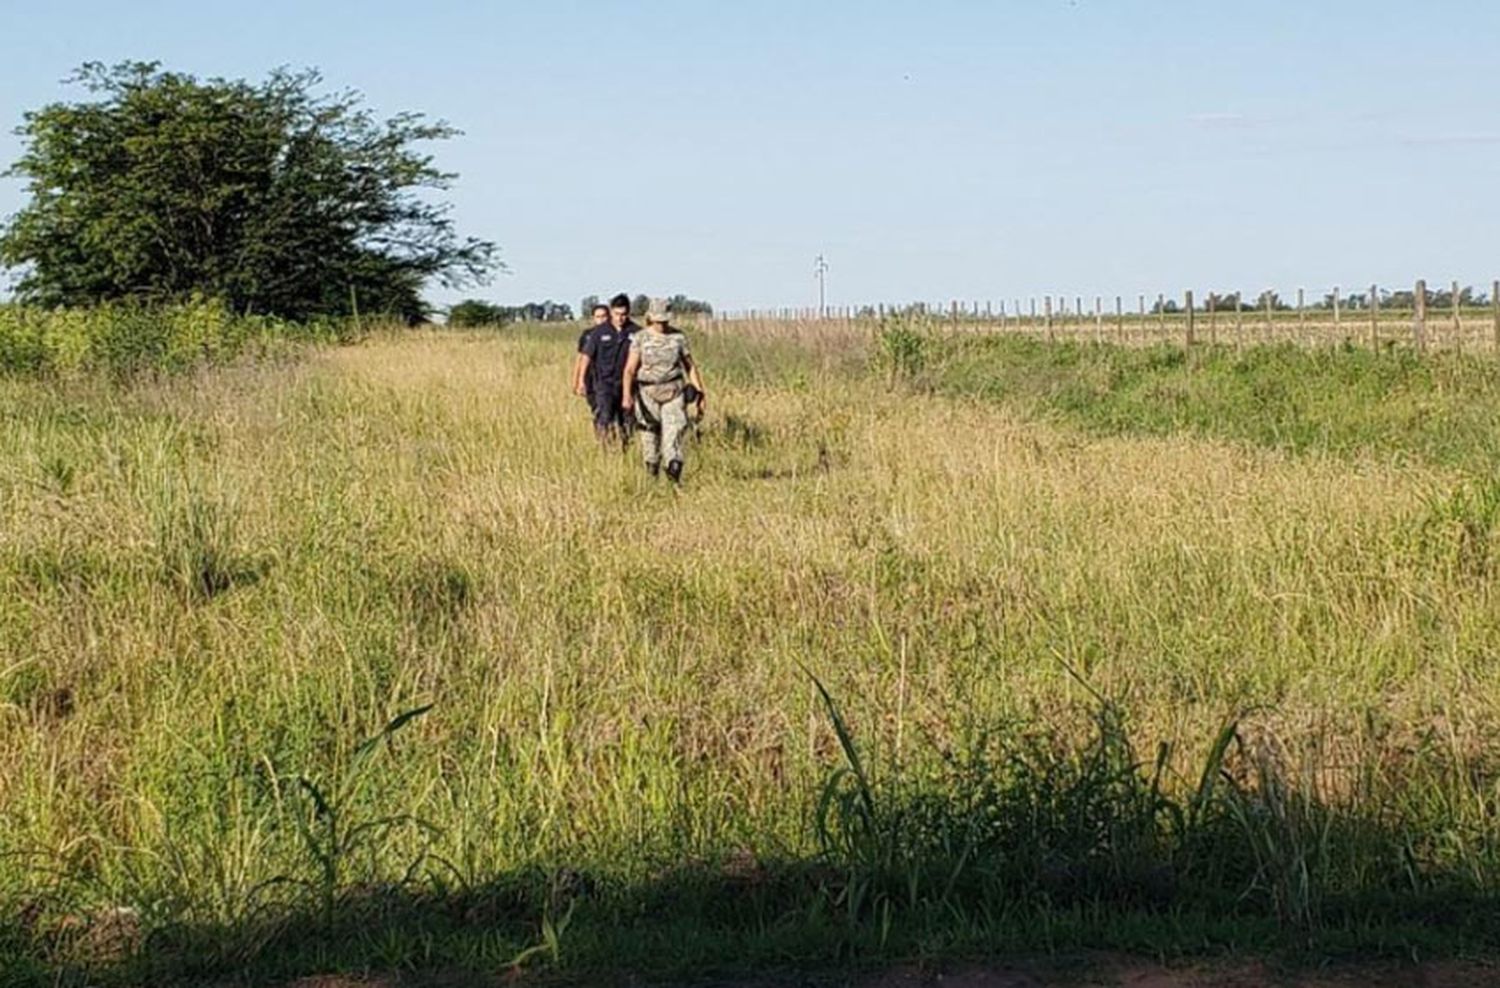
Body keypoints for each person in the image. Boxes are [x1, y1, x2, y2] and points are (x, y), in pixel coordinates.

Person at [621, 298, 706, 482]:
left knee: (673, 435)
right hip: (647, 393)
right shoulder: (641, 338)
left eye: (665, 321)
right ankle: (651, 473)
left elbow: (690, 366)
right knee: (650, 437)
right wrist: (627, 396)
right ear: (650, 318)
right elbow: (629, 370)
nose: (662, 325)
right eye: (658, 321)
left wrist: (700, 392)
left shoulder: (678, 338)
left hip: (673, 392)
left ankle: (674, 476)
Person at [576, 293, 640, 447]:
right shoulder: (599, 332)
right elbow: (586, 357)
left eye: (624, 314)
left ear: (629, 312)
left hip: (628, 384)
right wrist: (580, 381)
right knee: (605, 417)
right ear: (611, 312)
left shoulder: (637, 332)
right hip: (604, 384)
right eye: (617, 314)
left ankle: (625, 447)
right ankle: (606, 449)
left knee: (627, 420)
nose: (620, 318)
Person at [572, 302, 610, 417]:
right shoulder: (587, 335)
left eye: (604, 316)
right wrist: (577, 381)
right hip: (591, 377)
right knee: (596, 409)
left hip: (608, 377)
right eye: (598, 317)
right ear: (593, 318)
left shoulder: (614, 334)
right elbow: (580, 358)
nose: (601, 320)